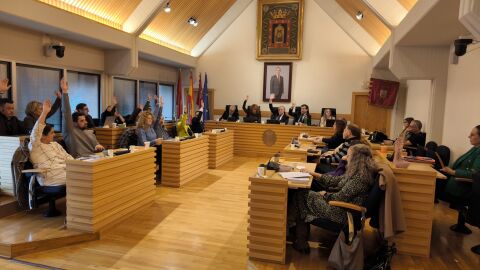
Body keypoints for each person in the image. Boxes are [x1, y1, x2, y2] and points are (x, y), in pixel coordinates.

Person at [288, 144, 378, 253]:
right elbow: (335, 181)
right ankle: (299, 237)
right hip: (340, 207)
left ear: (356, 159)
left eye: (348, 155)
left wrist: (324, 194)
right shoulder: (358, 172)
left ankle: (294, 230)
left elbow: (340, 198)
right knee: (301, 195)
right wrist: (313, 173)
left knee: (301, 195)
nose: (345, 157)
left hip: (342, 214)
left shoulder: (359, 179)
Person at [28, 99, 73, 213]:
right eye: (52, 133)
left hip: (65, 171)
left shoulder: (55, 144)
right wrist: (44, 113)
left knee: (86, 174)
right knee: (83, 178)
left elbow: (68, 158)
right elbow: (36, 132)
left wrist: (78, 165)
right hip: (50, 176)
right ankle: (77, 214)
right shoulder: (35, 145)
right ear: (42, 136)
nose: (54, 135)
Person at [441, 125, 480, 234]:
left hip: (465, 186)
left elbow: (474, 174)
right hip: (457, 181)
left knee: (436, 186)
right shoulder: (475, 148)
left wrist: (452, 172)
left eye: (472, 135)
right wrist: (448, 169)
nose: (469, 136)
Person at [61, 78, 104, 157]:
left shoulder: (89, 132)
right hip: (81, 161)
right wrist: (65, 92)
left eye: (85, 120)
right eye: (82, 121)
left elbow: (96, 145)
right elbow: (66, 112)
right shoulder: (70, 131)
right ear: (73, 123)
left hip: (95, 157)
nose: (86, 122)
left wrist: (98, 146)